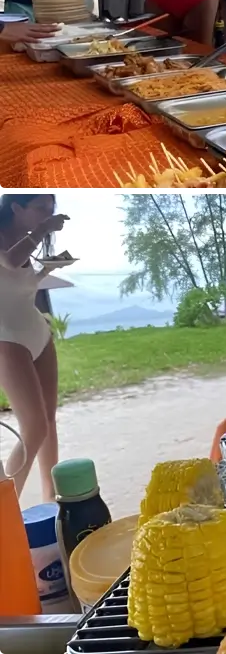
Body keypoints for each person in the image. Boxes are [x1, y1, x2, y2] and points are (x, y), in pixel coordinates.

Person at [0, 193, 68, 499]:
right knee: (34, 426)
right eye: (40, 207)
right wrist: (43, 230)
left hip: (35, 330)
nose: (46, 213)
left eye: (50, 208)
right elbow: (10, 262)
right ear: (16, 207)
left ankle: (51, 501)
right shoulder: (9, 240)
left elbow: (20, 283)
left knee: (49, 421)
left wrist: (47, 270)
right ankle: (5, 504)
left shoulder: (30, 243)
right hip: (6, 336)